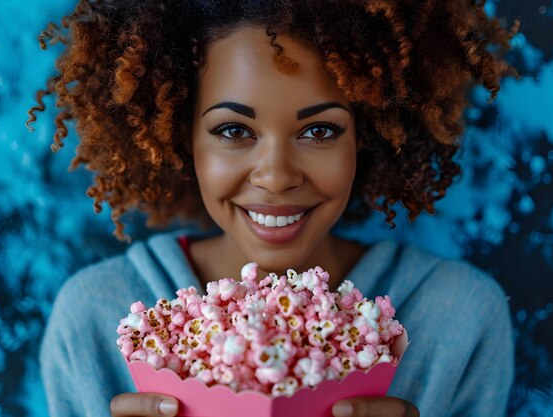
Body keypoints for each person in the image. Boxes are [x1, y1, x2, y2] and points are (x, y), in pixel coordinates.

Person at [27, 1, 519, 416]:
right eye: (234, 131)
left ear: (363, 138)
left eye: (319, 130)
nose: (278, 175)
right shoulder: (94, 318)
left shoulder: (459, 319)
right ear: (183, 137)